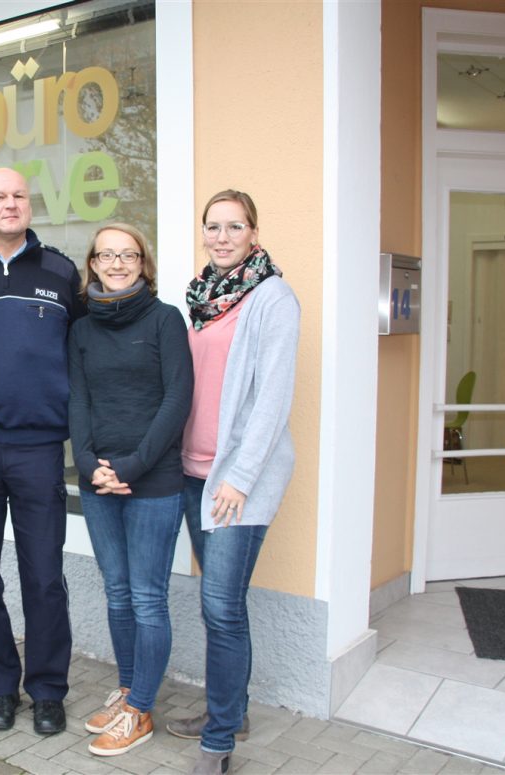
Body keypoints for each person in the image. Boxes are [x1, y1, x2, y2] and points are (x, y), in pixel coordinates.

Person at [0, 167, 86, 736]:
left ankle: (48, 690)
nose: (10, 204)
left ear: (32, 206)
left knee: (45, 577)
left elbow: (81, 354)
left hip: (39, 449)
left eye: (19, 195)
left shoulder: (60, 271)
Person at [166, 190, 300, 775]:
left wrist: (241, 478)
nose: (222, 237)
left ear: (253, 231)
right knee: (219, 605)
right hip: (193, 472)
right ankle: (234, 709)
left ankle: (219, 741)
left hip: (234, 480)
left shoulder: (272, 298)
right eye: (212, 226)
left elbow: (272, 396)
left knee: (221, 606)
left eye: (234, 226)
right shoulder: (199, 298)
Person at [68, 224, 193, 756]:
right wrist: (88, 466)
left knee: (147, 597)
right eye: (107, 255)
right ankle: (127, 689)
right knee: (117, 592)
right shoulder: (81, 330)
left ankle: (141, 710)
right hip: (99, 481)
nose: (117, 263)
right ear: (92, 264)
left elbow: (177, 401)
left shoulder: (166, 321)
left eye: (129, 255)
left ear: (145, 263)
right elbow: (78, 401)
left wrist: (132, 467)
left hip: (153, 482)